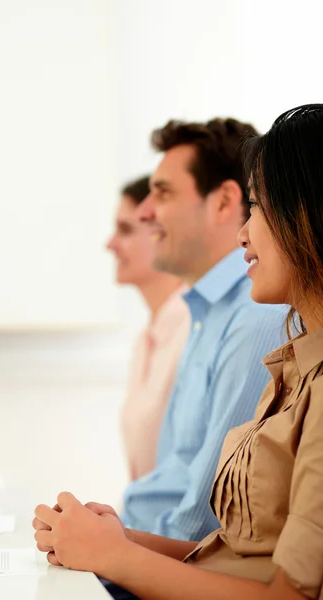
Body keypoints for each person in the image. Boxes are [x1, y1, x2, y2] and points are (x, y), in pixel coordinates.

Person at [33, 104, 323, 600]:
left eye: (258, 208)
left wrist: (115, 555)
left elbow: (287, 594)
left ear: (308, 215)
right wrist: (117, 540)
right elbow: (233, 550)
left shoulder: (269, 336)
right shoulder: (294, 365)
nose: (243, 234)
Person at [117, 117, 284, 542]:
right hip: (151, 547)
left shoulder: (254, 314)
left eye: (163, 192)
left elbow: (206, 516)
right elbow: (181, 472)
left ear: (225, 202)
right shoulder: (205, 312)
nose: (144, 212)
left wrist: (117, 549)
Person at [106, 176, 190, 481]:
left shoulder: (193, 330)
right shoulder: (146, 340)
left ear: (163, 232)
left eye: (125, 230)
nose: (110, 244)